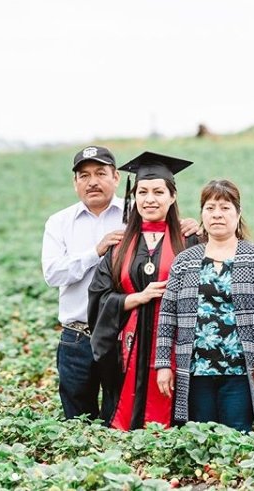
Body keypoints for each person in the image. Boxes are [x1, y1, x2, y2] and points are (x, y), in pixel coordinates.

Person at [42, 147, 199, 421]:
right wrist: (97, 251)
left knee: (123, 408)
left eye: (100, 173)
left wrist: (190, 227)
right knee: (81, 417)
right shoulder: (60, 223)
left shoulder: (133, 217)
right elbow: (53, 274)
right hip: (79, 335)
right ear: (75, 182)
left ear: (116, 177)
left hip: (130, 341)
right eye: (84, 175)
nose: (93, 181)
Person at [155, 179, 254, 432]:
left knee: (237, 434)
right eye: (210, 208)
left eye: (225, 208)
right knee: (200, 436)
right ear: (202, 213)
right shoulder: (185, 261)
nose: (217, 214)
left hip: (239, 370)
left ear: (238, 213)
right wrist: (162, 365)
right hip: (195, 370)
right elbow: (167, 316)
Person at [87, 151, 197, 429]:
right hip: (128, 347)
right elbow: (99, 297)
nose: (150, 199)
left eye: (159, 192)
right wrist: (136, 298)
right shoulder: (119, 245)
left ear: (172, 197)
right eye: (143, 192)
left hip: (176, 345)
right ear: (134, 197)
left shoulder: (191, 240)